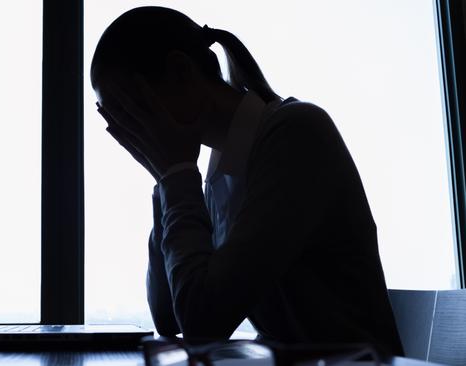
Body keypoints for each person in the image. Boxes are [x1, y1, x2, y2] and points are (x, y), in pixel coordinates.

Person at [90, 6, 404, 356]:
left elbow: (201, 322)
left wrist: (175, 175)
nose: (133, 133)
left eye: (132, 112)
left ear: (181, 73)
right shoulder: (218, 172)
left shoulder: (296, 135)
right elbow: (169, 316)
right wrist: (166, 180)